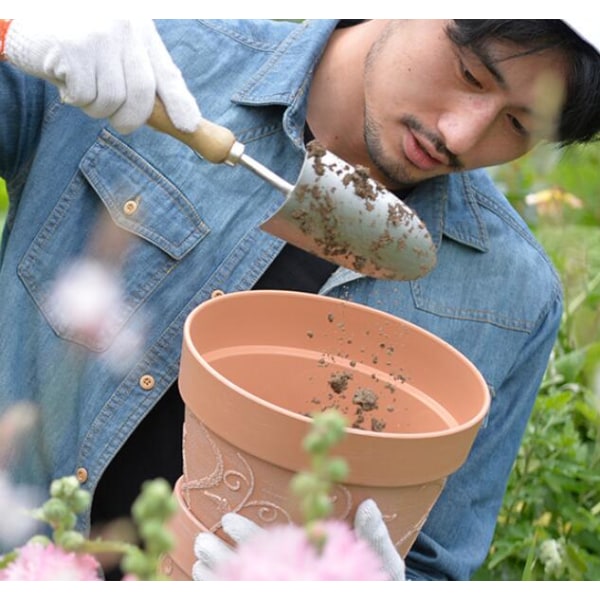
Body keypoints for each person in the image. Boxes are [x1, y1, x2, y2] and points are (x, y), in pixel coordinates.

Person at [0, 19, 599, 581]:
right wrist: (14, 25)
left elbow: (433, 563)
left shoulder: (513, 295)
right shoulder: (147, 53)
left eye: (519, 125)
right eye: (470, 72)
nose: (461, 134)